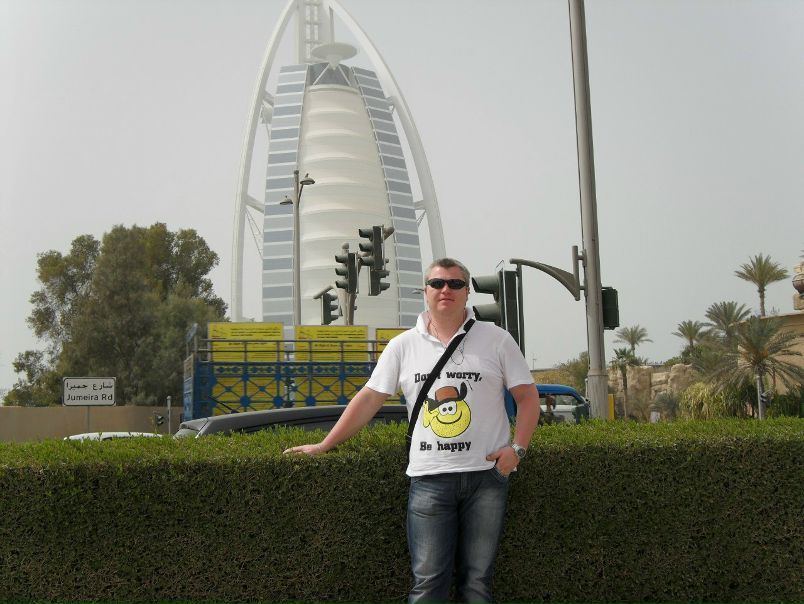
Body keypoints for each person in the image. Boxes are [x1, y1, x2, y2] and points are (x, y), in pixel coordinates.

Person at [285, 257, 540, 604]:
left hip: (486, 478)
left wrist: (517, 450)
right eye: (437, 283)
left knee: (478, 582)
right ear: (425, 291)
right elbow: (369, 399)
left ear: (467, 292)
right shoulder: (403, 345)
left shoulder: (497, 340)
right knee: (428, 583)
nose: (446, 290)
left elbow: (527, 397)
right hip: (429, 479)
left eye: (455, 284)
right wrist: (324, 444)